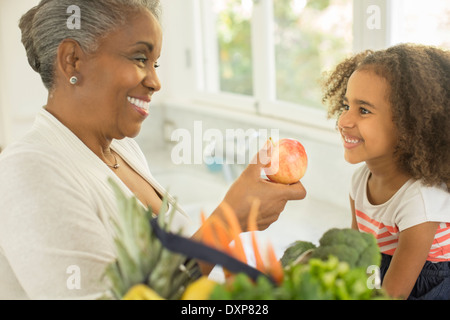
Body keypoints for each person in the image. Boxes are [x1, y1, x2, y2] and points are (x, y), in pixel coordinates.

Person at [0, 0, 306, 300]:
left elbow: (168, 280)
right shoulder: (26, 171)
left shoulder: (124, 151)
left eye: (155, 63)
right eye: (138, 58)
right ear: (73, 60)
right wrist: (228, 221)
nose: (156, 81)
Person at [322, 43, 450, 299]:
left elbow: (392, 295)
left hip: (426, 282)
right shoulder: (360, 181)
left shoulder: (420, 201)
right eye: (346, 106)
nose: (344, 121)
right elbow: (356, 252)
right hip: (382, 267)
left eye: (364, 110)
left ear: (407, 125)